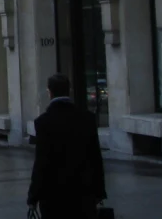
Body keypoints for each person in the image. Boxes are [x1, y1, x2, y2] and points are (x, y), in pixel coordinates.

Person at [27, 73, 106, 219]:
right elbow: (96, 158)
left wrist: (33, 197)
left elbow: (41, 163)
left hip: (53, 197)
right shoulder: (87, 119)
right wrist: (99, 192)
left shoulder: (43, 122)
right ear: (68, 91)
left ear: (49, 92)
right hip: (83, 194)